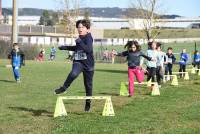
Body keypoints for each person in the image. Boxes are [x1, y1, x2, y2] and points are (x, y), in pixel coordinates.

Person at [54, 19, 94, 112]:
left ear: (87, 29)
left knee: (88, 85)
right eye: (79, 27)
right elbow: (78, 48)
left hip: (88, 65)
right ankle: (64, 88)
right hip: (78, 62)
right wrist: (65, 47)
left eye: (82, 27)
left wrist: (79, 41)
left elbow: (87, 49)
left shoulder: (88, 37)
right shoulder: (79, 38)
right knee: (73, 73)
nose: (80, 29)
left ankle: (88, 102)